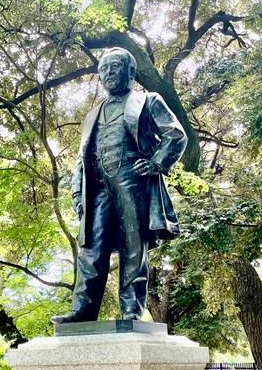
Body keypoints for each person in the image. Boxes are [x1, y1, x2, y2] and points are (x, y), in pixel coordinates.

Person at [51, 47, 187, 324]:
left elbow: (176, 135)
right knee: (91, 246)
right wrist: (77, 193)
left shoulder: (147, 101)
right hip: (97, 187)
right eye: (103, 69)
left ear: (130, 72)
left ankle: (131, 309)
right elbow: (81, 158)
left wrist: (156, 163)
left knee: (134, 245)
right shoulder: (92, 114)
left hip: (133, 180)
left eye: (115, 67)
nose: (108, 72)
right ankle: (82, 310)